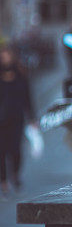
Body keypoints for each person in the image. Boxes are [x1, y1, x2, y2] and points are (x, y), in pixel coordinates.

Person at [0, 45, 34, 195]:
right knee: (1, 151)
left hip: (16, 118)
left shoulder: (21, 75)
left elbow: (28, 97)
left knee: (15, 149)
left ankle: (15, 174)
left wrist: (32, 117)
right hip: (1, 120)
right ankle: (3, 181)